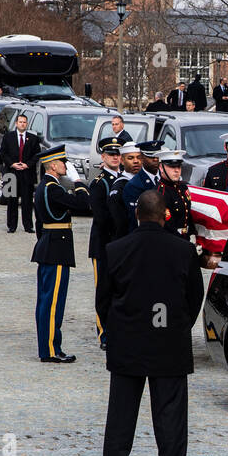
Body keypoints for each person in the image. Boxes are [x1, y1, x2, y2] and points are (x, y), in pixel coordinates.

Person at [96, 189, 205, 456]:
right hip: (169, 344)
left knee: (120, 418)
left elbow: (103, 300)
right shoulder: (183, 251)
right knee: (171, 419)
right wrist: (178, 328)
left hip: (127, 345)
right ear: (165, 216)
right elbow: (194, 297)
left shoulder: (116, 250)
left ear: (137, 214)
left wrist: (117, 330)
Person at [32, 145, 92, 363]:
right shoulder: (52, 189)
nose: (66, 166)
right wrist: (78, 183)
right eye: (63, 163)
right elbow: (84, 203)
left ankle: (50, 346)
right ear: (53, 166)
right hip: (56, 250)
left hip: (49, 246)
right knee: (52, 302)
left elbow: (40, 224)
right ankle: (49, 350)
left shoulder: (44, 187)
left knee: (47, 300)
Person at [88, 138, 129, 349]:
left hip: (119, 244)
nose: (115, 157)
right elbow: (101, 217)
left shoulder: (125, 179)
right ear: (103, 157)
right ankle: (104, 333)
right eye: (111, 154)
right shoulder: (99, 183)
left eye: (118, 154)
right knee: (103, 290)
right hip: (104, 244)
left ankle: (118, 328)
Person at [0, 113, 40, 233]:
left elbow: (36, 155)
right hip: (11, 172)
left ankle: (28, 226)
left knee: (27, 201)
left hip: (27, 173)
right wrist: (12, 164)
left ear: (27, 124)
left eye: (24, 122)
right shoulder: (8, 137)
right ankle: (12, 225)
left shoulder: (33, 138)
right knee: (12, 200)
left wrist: (27, 164)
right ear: (16, 123)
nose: (22, 124)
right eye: (20, 122)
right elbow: (3, 153)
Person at [122, 139, 164, 230]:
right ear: (142, 158)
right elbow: (135, 219)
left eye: (158, 156)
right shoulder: (134, 185)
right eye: (151, 156)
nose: (155, 159)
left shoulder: (164, 178)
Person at [157, 149, 194, 241]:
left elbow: (188, 213)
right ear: (161, 167)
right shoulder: (159, 193)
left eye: (179, 166)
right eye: (172, 167)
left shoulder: (183, 187)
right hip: (171, 240)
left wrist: (192, 233)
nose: (177, 170)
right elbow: (167, 225)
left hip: (186, 237)